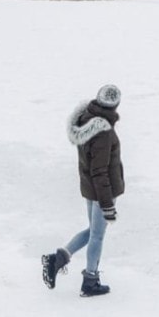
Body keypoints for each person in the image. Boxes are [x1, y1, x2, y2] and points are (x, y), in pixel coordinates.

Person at [42, 83, 124, 298]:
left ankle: (59, 258)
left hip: (90, 188)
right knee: (97, 236)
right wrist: (107, 204)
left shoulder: (86, 119)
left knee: (92, 231)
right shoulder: (103, 132)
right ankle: (90, 280)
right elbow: (100, 171)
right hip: (100, 191)